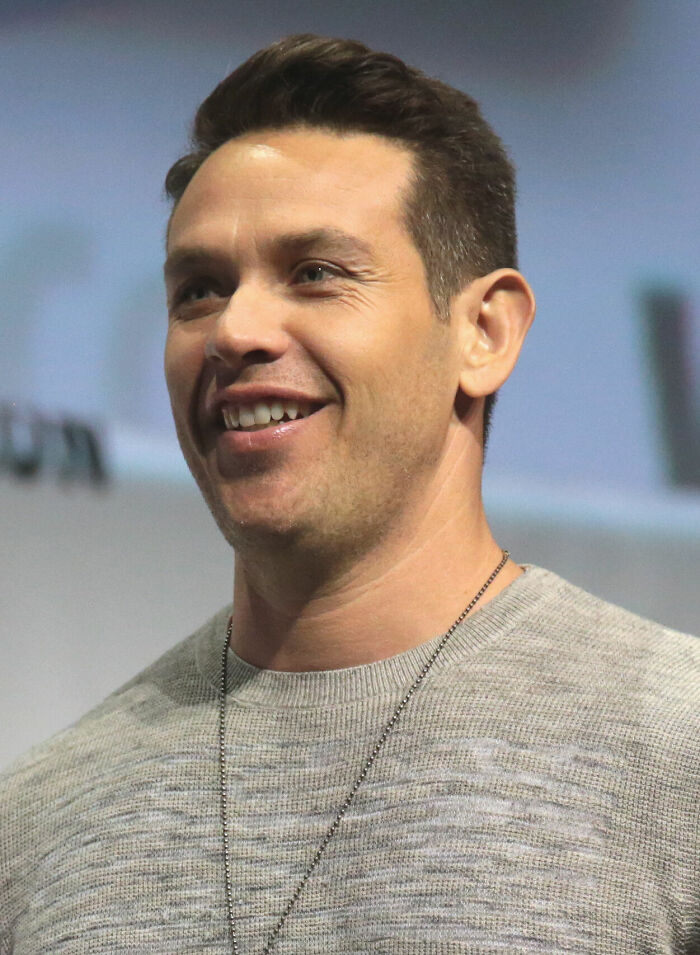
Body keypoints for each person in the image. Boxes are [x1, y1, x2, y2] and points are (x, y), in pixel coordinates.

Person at [1, 34, 698, 955]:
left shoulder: (676, 753)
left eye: (316, 273)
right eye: (199, 289)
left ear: (483, 331)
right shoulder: (39, 825)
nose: (236, 329)